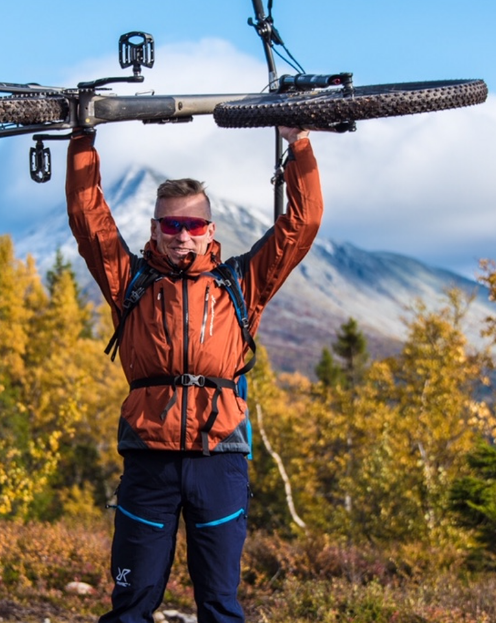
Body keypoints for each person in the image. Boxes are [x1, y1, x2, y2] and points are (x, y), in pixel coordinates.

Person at [65, 125, 323, 623]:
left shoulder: (242, 281)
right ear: (155, 228)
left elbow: (304, 222)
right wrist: (82, 140)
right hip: (149, 461)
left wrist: (300, 145)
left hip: (220, 459)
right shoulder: (130, 280)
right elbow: (87, 217)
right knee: (129, 606)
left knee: (221, 608)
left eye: (194, 226)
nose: (183, 235)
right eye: (171, 225)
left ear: (211, 229)